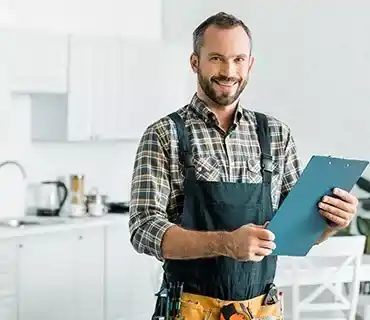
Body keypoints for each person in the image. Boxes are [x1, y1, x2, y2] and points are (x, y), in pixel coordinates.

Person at [129, 12, 359, 320]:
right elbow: (143, 230)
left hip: (262, 310)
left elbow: (297, 231)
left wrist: (329, 224)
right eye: (216, 59)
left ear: (250, 64)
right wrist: (226, 243)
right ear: (195, 62)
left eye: (238, 59)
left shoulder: (276, 134)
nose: (229, 71)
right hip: (189, 310)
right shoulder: (164, 134)